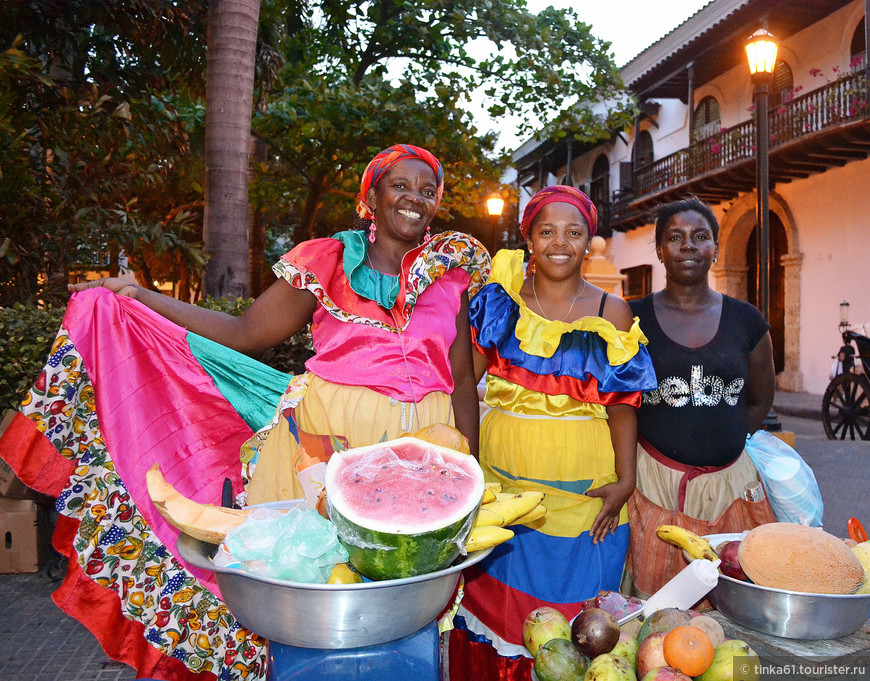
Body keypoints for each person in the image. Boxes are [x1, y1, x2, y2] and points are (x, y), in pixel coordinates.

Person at [0, 144, 490, 681]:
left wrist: (470, 473)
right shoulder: (327, 262)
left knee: (409, 607)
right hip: (326, 451)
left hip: (425, 458)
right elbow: (244, 333)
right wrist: (141, 295)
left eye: (427, 190)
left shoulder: (452, 274)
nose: (414, 199)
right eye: (400, 185)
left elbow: (462, 381)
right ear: (371, 197)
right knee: (323, 598)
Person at [447, 185, 657, 680]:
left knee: (577, 618)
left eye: (573, 232)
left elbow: (624, 404)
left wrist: (626, 479)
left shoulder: (612, 311)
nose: (559, 242)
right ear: (528, 239)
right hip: (503, 481)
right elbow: (463, 383)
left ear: (589, 241)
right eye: (546, 231)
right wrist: (468, 465)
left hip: (586, 489)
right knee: (500, 605)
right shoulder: (499, 303)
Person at [625, 196, 777, 599]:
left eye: (700, 236)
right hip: (654, 487)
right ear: (660, 250)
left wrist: (721, 442)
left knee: (737, 607)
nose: (688, 245)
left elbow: (761, 398)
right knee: (658, 609)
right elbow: (617, 400)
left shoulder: (747, 320)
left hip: (733, 488)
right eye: (675, 237)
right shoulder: (630, 318)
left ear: (714, 247)